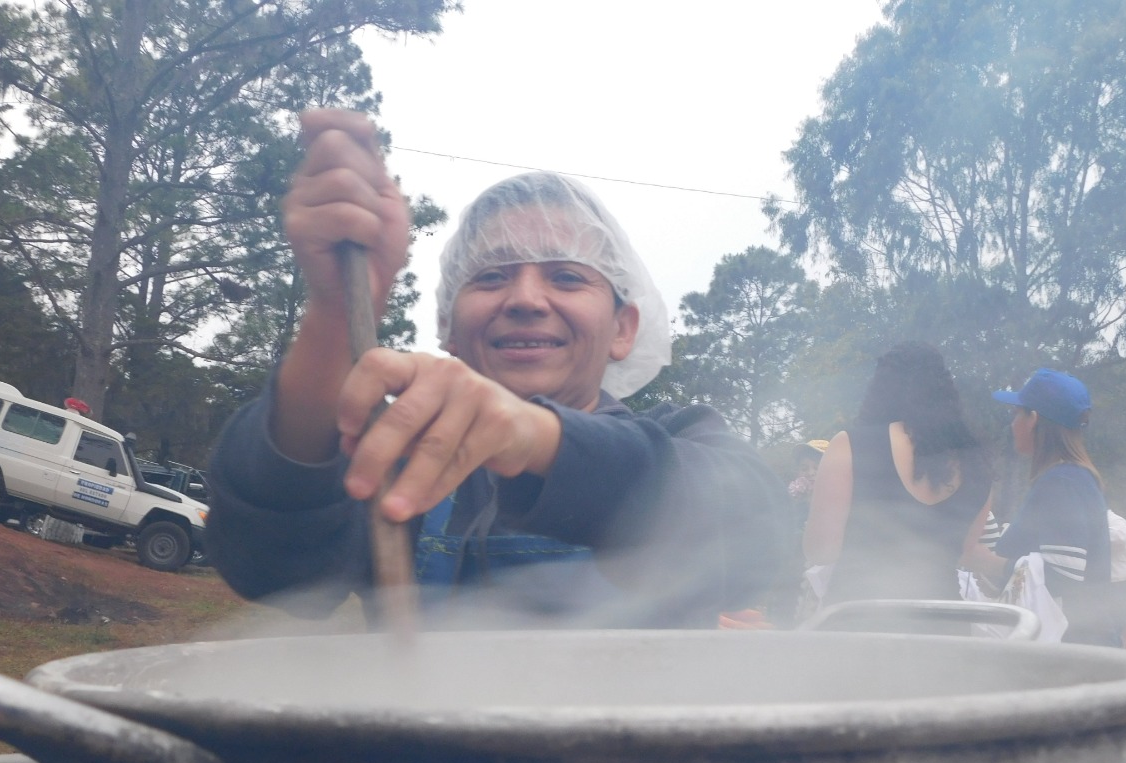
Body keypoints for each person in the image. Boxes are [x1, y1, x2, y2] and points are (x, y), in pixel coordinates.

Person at [205, 111, 791, 629]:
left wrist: (531, 435)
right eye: (490, 277)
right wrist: (335, 310)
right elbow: (269, 565)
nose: (526, 298)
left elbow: (752, 531)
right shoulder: (399, 464)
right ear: (451, 330)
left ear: (623, 329)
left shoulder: (685, 439)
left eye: (567, 276)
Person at [804, 342, 992, 606]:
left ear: (880, 389)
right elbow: (964, 553)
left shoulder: (851, 445)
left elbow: (821, 551)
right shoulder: (977, 461)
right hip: (945, 625)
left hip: (858, 622)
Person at [977, 369, 1113, 646]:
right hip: (1079, 648)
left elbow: (1063, 576)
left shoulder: (1062, 482)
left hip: (1072, 652)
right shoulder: (1069, 478)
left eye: (1016, 414)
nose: (1013, 423)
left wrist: (984, 561)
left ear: (1033, 419)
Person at [1106, 508, 1126, 645]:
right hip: (1101, 584)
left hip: (1117, 585)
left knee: (1112, 629)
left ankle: (1114, 661)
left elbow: (1119, 538)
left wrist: (1092, 530)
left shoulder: (1119, 523)